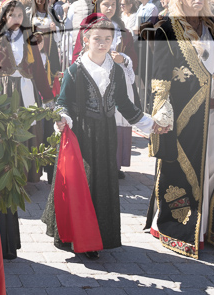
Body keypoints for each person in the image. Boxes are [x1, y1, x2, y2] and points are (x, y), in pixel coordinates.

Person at [42, 17, 155, 258]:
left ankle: (99, 236)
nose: (102, 43)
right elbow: (63, 102)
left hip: (106, 132)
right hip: (81, 133)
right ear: (86, 40)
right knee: (83, 182)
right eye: (97, 38)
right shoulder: (75, 70)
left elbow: (124, 103)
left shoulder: (116, 70)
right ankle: (79, 238)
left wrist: (150, 124)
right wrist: (63, 118)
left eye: (107, 39)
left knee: (103, 183)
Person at [145, 0, 214, 259]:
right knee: (181, 171)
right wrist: (161, 110)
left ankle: (209, 228)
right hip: (185, 117)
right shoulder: (166, 28)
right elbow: (161, 75)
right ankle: (181, 229)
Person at [0, 0, 54, 257]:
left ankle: (18, 177)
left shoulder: (30, 40)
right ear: (4, 16)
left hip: (25, 92)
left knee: (23, 135)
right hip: (1, 91)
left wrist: (48, 98)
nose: (16, 19)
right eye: (12, 15)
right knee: (0, 135)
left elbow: (39, 72)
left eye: (20, 15)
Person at [72, 0, 140, 179]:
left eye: (113, 4)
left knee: (116, 121)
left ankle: (114, 165)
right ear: (97, 6)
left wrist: (123, 59)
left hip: (118, 80)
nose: (110, 8)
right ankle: (94, 164)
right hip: (94, 79)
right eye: (106, 4)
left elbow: (132, 56)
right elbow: (78, 52)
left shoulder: (122, 30)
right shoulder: (88, 26)